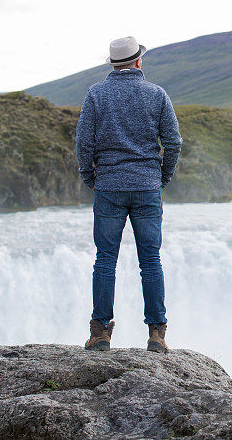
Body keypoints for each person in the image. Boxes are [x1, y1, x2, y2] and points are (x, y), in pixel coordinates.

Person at [75, 36, 182, 353]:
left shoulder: (96, 94)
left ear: (113, 64)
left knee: (105, 260)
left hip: (108, 186)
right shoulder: (157, 95)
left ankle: (99, 334)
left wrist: (89, 176)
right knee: (150, 261)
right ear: (138, 61)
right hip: (147, 187)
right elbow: (173, 142)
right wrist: (161, 176)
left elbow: (84, 143)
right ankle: (156, 335)